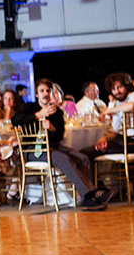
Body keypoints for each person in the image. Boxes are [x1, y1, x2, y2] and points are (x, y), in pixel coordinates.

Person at [12, 79, 110, 210]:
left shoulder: (56, 112)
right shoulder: (29, 108)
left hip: (52, 147)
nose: (45, 93)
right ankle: (89, 195)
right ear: (36, 94)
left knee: (83, 158)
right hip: (33, 150)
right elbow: (15, 120)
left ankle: (89, 195)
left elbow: (59, 136)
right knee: (63, 158)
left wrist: (52, 128)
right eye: (42, 91)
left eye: (48, 90)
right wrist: (38, 115)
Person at [81, 72, 134, 159]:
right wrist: (104, 139)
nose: (117, 91)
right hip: (120, 141)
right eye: (113, 89)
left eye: (119, 87)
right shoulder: (118, 103)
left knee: (85, 153)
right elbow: (116, 131)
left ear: (126, 86)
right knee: (86, 151)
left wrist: (109, 111)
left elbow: (132, 106)